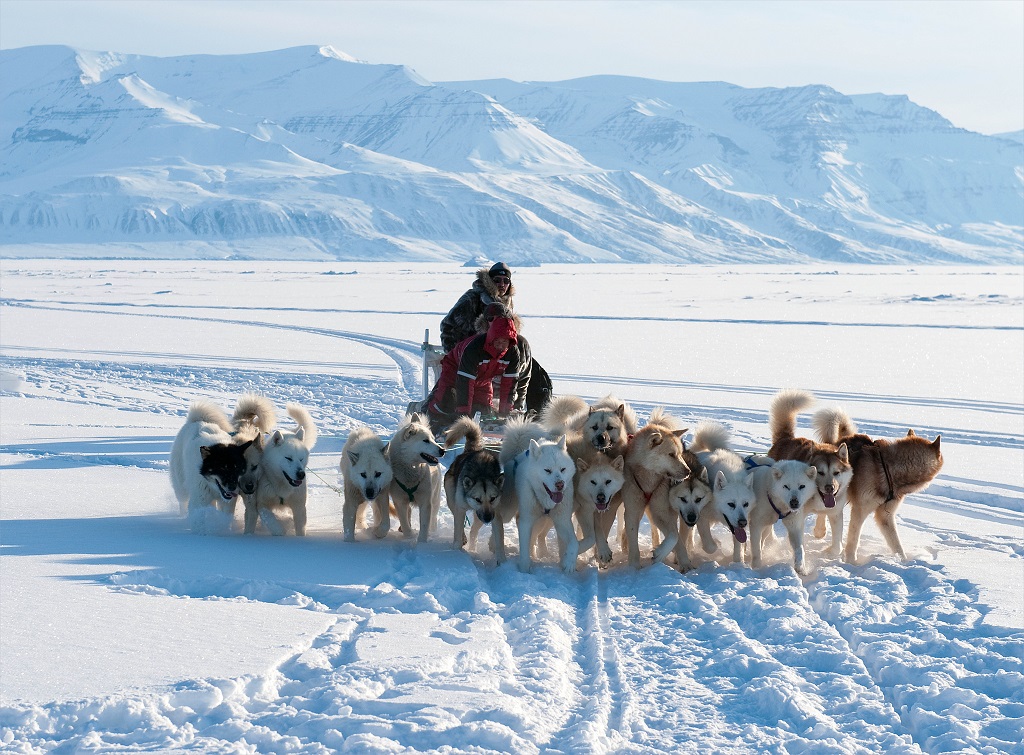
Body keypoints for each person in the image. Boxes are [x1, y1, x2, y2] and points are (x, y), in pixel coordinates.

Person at [425, 315, 528, 433]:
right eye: (497, 341)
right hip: (455, 373)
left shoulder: (513, 353)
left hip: (483, 380)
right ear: (491, 338)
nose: (500, 345)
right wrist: (464, 414)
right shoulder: (474, 348)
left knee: (483, 411)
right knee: (447, 402)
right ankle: (427, 416)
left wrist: (505, 412)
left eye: (504, 342)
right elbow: (465, 382)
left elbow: (509, 384)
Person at [439, 262, 514, 353]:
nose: (502, 284)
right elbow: (448, 325)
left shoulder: (506, 302)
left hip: (495, 352)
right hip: (471, 352)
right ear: (490, 281)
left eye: (506, 281)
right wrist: (454, 353)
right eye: (497, 280)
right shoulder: (473, 298)